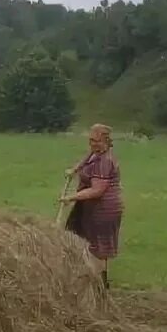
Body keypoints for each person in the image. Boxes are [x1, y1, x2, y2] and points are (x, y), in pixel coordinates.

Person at [61, 123, 123, 289]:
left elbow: (97, 190)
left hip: (103, 210)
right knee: (83, 241)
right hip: (91, 207)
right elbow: (88, 156)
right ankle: (88, 279)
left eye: (96, 141)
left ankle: (99, 287)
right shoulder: (97, 152)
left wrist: (71, 197)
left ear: (106, 141)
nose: (92, 144)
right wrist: (74, 170)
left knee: (98, 249)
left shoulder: (105, 161)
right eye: (90, 140)